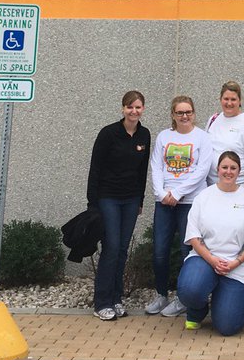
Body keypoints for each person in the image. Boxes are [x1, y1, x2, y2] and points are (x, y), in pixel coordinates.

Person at [177, 150, 244, 335]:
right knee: (189, 290)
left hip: (237, 266)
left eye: (233, 168)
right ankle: (198, 310)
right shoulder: (203, 197)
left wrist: (235, 263)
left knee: (226, 327)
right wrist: (213, 260)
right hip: (204, 259)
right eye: (224, 167)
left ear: (239, 171)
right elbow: (193, 236)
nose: (228, 171)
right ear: (218, 169)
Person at [86, 89, 151, 321]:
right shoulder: (108, 134)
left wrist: (141, 199)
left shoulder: (144, 135)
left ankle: (116, 299)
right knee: (111, 247)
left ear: (143, 109)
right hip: (108, 198)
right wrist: (92, 203)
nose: (134, 111)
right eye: (129, 107)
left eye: (138, 107)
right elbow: (95, 169)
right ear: (123, 109)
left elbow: (142, 171)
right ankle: (101, 302)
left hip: (132, 199)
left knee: (122, 249)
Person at [146, 95, 212, 318]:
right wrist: (163, 193)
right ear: (173, 115)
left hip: (190, 202)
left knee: (187, 250)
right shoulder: (164, 136)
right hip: (164, 202)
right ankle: (161, 294)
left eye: (188, 112)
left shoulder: (202, 137)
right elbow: (156, 166)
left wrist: (178, 193)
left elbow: (201, 171)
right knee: (160, 252)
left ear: (194, 113)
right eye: (180, 112)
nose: (184, 116)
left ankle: (183, 299)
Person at [205, 81, 244, 193]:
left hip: (239, 189)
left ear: (240, 101)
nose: (229, 103)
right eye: (226, 99)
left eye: (233, 99)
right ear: (220, 99)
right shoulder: (213, 120)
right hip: (213, 190)